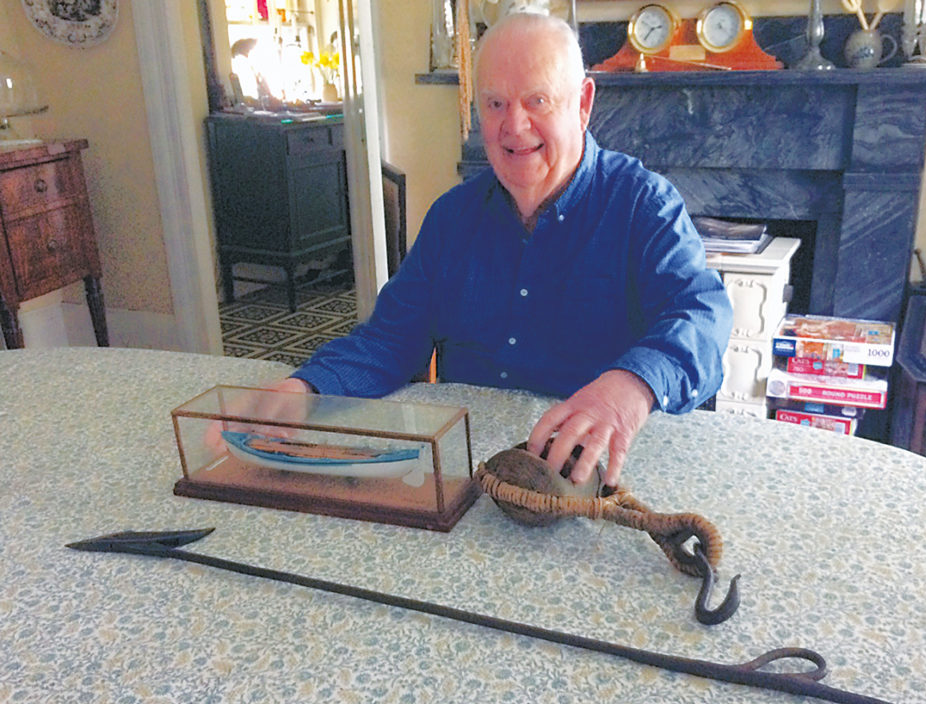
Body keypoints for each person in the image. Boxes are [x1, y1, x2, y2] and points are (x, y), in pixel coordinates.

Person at [256, 13, 732, 488]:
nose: (515, 125)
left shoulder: (643, 204)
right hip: (465, 477)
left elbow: (702, 318)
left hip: (593, 478)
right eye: (496, 103)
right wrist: (307, 388)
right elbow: (390, 339)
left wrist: (631, 386)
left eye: (537, 100)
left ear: (583, 104)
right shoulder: (451, 217)